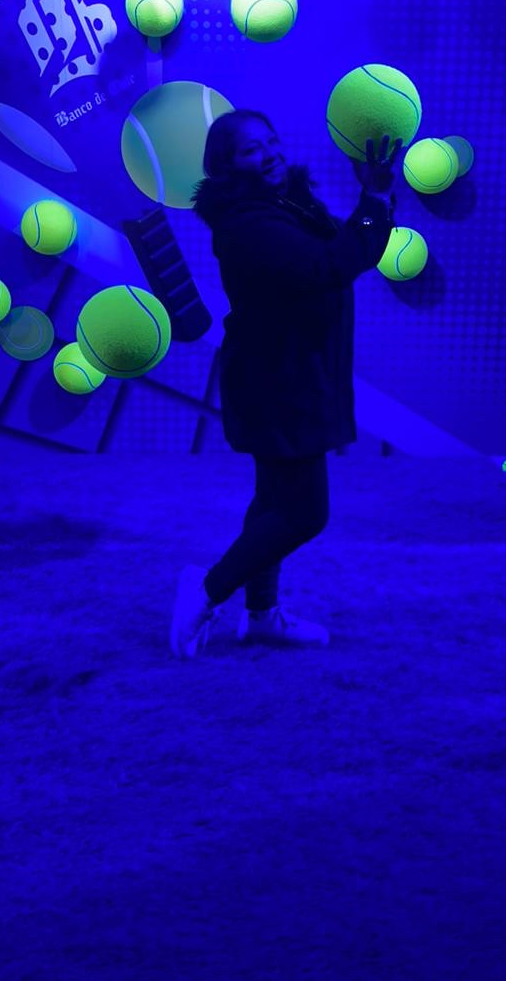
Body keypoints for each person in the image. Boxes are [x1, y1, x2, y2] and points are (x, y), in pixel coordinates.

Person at [169, 108, 403, 658]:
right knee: (304, 513)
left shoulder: (283, 203)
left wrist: (374, 199)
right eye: (252, 149)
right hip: (278, 384)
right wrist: (373, 201)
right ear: (227, 166)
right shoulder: (246, 224)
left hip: (290, 375)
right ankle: (205, 591)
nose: (270, 153)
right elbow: (328, 267)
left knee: (274, 502)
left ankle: (261, 616)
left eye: (272, 141)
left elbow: (349, 249)